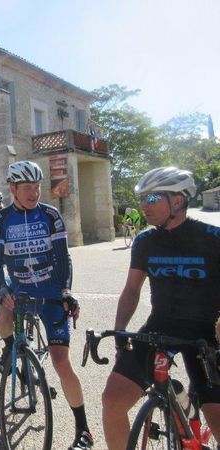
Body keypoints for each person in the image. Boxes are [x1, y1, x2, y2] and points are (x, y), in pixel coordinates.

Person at [101, 167, 220, 450]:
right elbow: (132, 290)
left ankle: (190, 406)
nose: (143, 205)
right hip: (160, 325)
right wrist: (120, 332)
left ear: (177, 200)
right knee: (112, 399)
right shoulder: (145, 241)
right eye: (142, 198)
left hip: (205, 331)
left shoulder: (213, 238)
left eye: (152, 198)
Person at [0, 161, 93, 450]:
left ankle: (83, 430)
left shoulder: (50, 215)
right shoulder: (0, 221)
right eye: (27, 188)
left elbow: (63, 256)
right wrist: (2, 288)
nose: (34, 192)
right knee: (0, 322)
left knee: (61, 362)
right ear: (13, 189)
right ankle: (12, 346)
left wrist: (66, 290)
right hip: (19, 290)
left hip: (49, 292)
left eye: (37, 187)